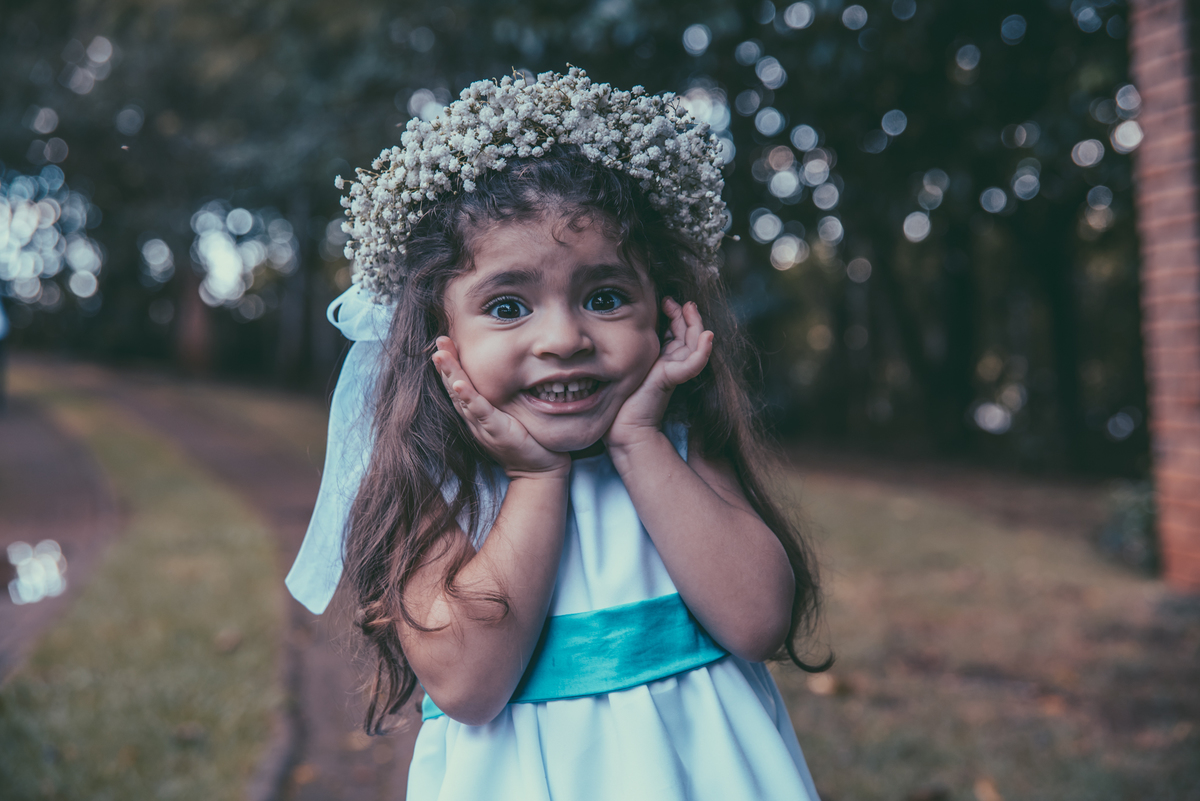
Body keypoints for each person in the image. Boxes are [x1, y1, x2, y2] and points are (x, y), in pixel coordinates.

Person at [286, 68, 829, 800]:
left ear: (664, 310)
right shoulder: (441, 484)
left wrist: (638, 441)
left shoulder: (679, 448)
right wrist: (537, 477)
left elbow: (759, 620)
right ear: (438, 336)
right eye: (508, 307)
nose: (565, 338)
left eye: (604, 297)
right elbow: (469, 685)